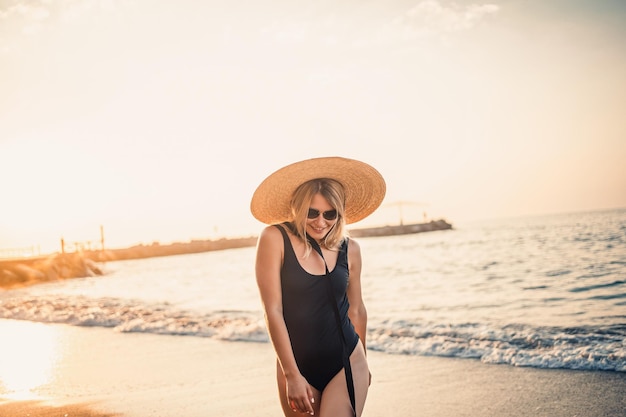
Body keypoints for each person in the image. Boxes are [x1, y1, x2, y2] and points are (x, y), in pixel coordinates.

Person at [250, 156, 386, 417]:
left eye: (330, 214)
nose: (320, 222)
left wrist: (363, 361)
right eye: (312, 212)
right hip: (295, 365)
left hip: (347, 360)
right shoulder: (274, 238)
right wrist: (291, 375)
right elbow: (273, 311)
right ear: (297, 208)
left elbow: (356, 310)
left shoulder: (351, 249)